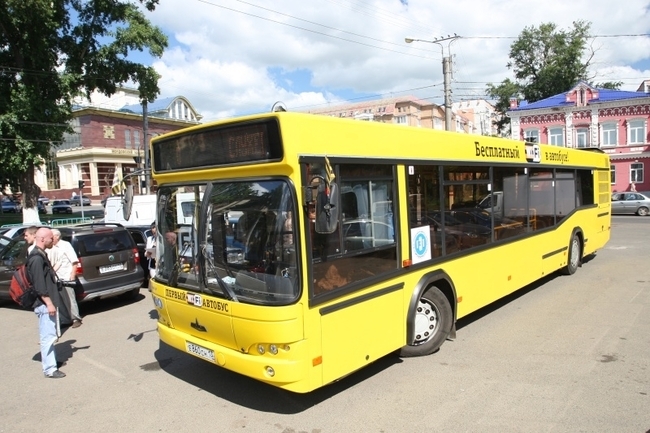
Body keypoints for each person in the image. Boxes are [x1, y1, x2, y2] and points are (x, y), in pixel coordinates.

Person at [28, 227, 66, 379]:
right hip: (44, 304)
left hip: (47, 303)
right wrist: (49, 303)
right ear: (43, 239)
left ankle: (52, 362)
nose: (53, 240)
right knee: (47, 337)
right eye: (51, 238)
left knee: (50, 335)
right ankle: (50, 369)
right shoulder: (36, 258)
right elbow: (39, 285)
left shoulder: (40, 254)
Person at [47, 229, 82, 328]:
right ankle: (65, 320)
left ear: (57, 236)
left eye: (51, 236)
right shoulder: (50, 247)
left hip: (66, 277)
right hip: (55, 278)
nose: (50, 238)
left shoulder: (65, 245)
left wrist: (72, 275)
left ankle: (76, 318)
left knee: (70, 299)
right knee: (59, 300)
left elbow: (74, 261)